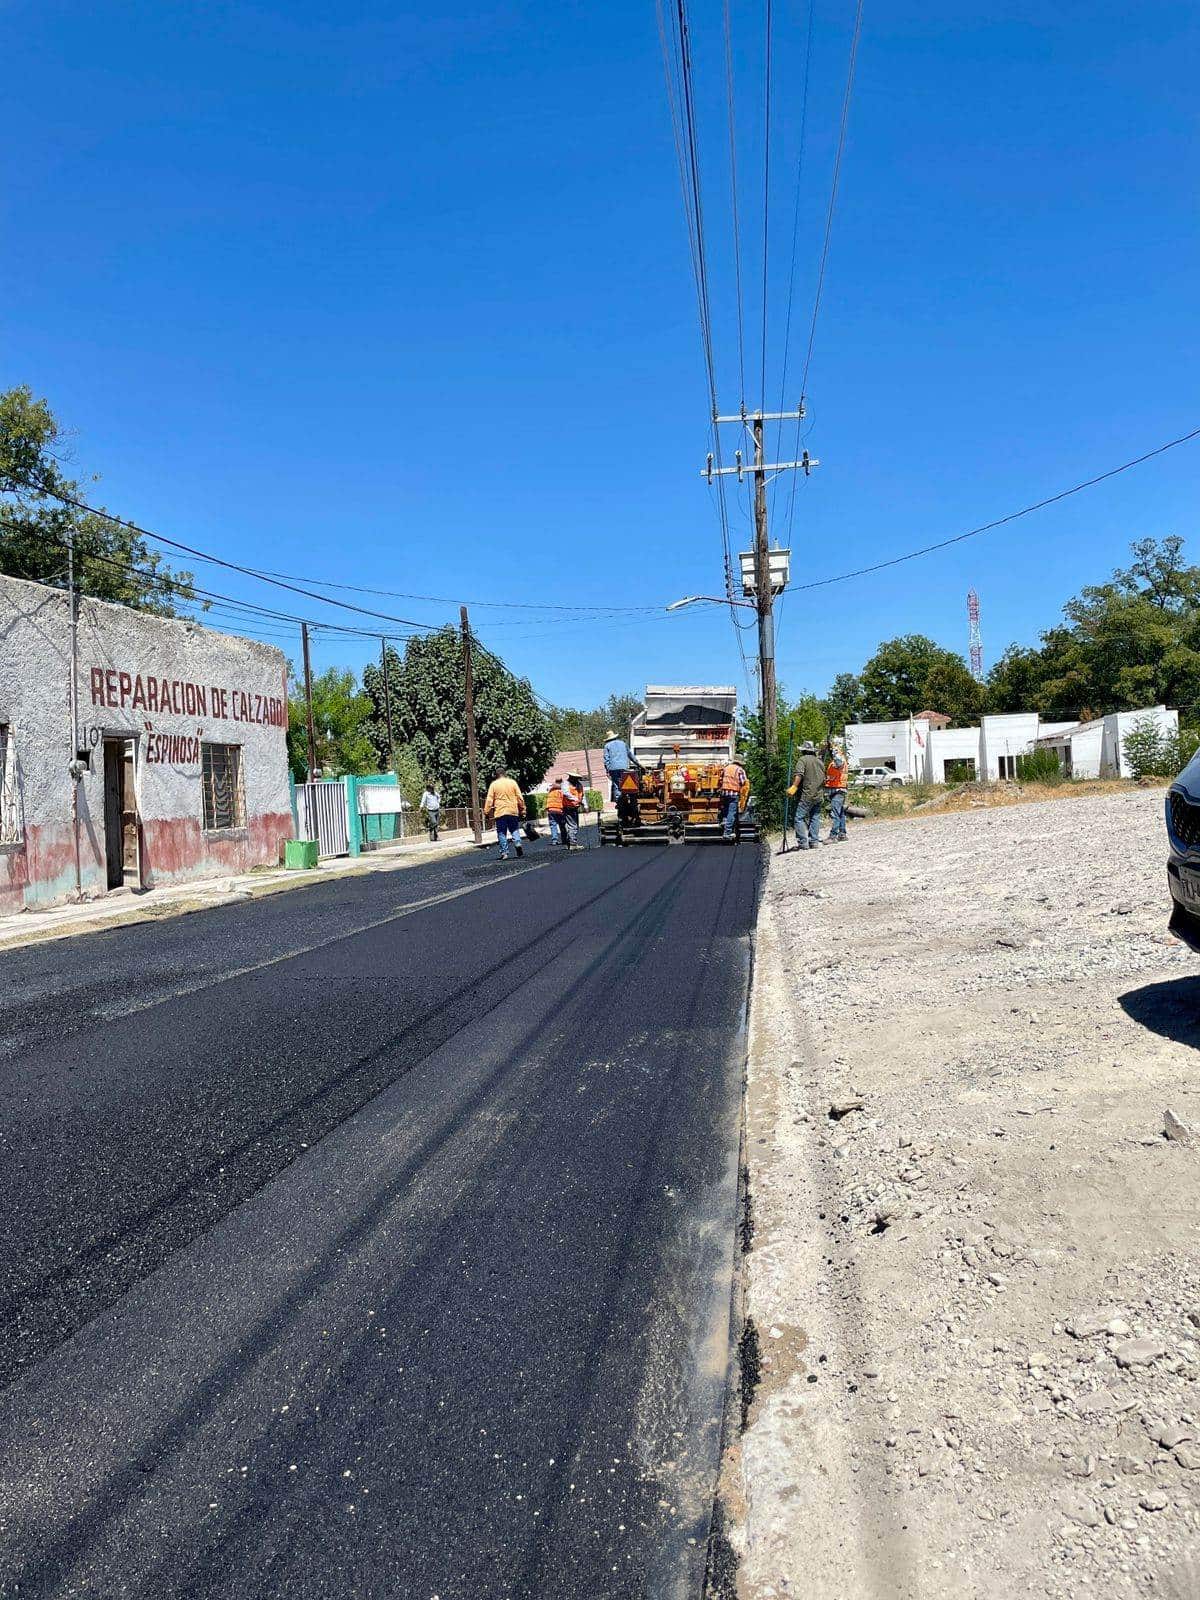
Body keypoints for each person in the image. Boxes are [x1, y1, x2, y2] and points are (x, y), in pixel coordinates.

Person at [787, 741, 826, 850]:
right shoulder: (820, 762)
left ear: (803, 751)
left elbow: (799, 774)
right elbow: (824, 779)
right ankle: (814, 842)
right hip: (818, 795)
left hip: (807, 794)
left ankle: (803, 843)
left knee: (799, 818)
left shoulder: (802, 760)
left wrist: (794, 787)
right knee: (815, 817)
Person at [483, 766, 526, 861]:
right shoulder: (512, 783)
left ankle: (504, 852)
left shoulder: (494, 785)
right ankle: (518, 843)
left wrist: (486, 812)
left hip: (500, 812)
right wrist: (523, 810)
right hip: (512, 810)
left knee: (502, 833)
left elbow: (489, 799)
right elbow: (519, 797)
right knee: (514, 829)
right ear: (505, 773)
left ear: (496, 775)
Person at [719, 758, 749, 841]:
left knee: (726, 810)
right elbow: (743, 782)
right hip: (734, 794)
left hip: (724, 793)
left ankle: (724, 823)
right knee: (732, 813)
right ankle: (727, 833)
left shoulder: (726, 768)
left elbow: (720, 779)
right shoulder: (740, 770)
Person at [824, 744, 848, 842]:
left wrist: (833, 751)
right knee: (840, 813)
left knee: (835, 814)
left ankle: (833, 836)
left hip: (837, 790)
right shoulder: (839, 761)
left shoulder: (839, 760)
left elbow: (838, 762)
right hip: (838, 790)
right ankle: (842, 834)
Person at [602, 728, 634, 802]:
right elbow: (630, 755)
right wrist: (637, 763)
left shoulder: (607, 746)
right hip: (624, 767)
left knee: (617, 785)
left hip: (613, 769)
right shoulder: (623, 743)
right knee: (626, 783)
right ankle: (628, 797)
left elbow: (606, 760)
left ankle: (619, 801)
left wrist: (607, 770)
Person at [560, 773, 585, 849]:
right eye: (575, 778)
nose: (577, 779)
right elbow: (566, 793)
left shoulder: (579, 785)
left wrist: (585, 805)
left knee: (575, 826)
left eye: (577, 778)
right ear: (571, 777)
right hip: (567, 807)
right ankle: (573, 844)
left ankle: (570, 842)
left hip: (575, 807)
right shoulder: (565, 784)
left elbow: (582, 795)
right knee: (572, 825)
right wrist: (576, 799)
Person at [545, 777, 564, 845]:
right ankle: (564, 839)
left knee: (553, 825)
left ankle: (554, 840)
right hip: (560, 809)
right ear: (561, 782)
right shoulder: (562, 790)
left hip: (551, 809)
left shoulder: (551, 790)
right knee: (562, 825)